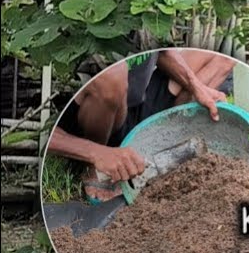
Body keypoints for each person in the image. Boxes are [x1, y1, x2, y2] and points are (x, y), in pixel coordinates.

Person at [47, 49, 235, 201]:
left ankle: (166, 143)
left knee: (221, 59)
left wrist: (197, 88)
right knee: (112, 76)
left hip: (138, 101)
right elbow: (50, 137)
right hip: (99, 121)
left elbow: (163, 51)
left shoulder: (147, 13)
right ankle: (95, 167)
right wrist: (96, 153)